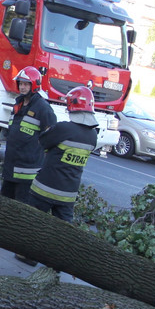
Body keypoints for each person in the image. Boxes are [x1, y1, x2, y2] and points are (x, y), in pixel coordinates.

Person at [26, 86, 99, 222]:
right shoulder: (93, 136)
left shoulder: (64, 128)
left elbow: (43, 142)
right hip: (68, 196)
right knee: (64, 235)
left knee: (30, 226)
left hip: (44, 190)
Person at [0, 66, 57, 205]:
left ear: (34, 85)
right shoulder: (18, 104)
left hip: (27, 173)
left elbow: (51, 137)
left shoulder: (43, 108)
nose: (22, 87)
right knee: (2, 206)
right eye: (20, 83)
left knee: (20, 210)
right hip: (10, 169)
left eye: (26, 84)